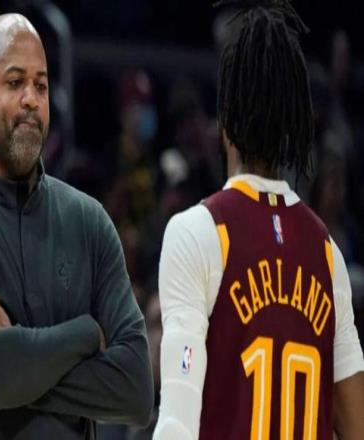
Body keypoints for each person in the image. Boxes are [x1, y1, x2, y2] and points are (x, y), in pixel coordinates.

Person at [0, 13, 153, 440]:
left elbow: (135, 389)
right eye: (14, 83)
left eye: (40, 86)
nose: (31, 99)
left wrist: (16, 350)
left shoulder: (89, 221)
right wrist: (87, 333)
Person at [153, 1, 364, 439]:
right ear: (291, 126)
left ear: (224, 122)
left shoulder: (197, 232)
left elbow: (176, 421)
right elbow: (356, 425)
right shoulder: (327, 254)